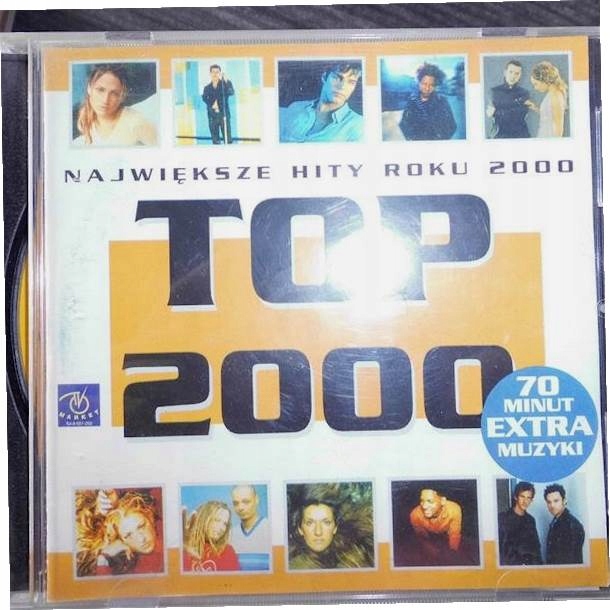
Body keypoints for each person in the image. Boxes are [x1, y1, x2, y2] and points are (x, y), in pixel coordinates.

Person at [75, 488, 163, 577]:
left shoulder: (163, 517)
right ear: (121, 541)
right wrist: (104, 558)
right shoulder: (126, 567)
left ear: (150, 517)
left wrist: (116, 491)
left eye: (142, 526)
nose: (141, 539)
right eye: (128, 535)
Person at [279, 62, 363, 143]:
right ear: (324, 77)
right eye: (337, 78)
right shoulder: (296, 107)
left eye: (351, 82)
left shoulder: (359, 125)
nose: (342, 87)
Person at [75, 64, 157, 146]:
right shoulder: (87, 124)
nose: (105, 100)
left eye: (114, 93)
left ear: (122, 95)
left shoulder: (136, 123)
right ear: (89, 88)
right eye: (100, 90)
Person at [289, 492, 374, 570]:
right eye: (310, 523)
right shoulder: (295, 567)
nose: (318, 532)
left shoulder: (355, 556)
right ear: (300, 529)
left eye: (326, 522)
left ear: (335, 527)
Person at [399, 63, 456, 141]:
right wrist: (411, 138)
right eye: (424, 84)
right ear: (419, 83)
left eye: (431, 85)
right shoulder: (412, 101)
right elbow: (403, 124)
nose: (427, 88)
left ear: (435, 86)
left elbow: (452, 126)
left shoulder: (442, 101)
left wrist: (439, 139)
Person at [183, 500, 240, 572]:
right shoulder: (185, 546)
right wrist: (185, 553)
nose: (221, 528)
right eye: (216, 520)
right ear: (203, 518)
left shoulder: (227, 551)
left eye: (225, 524)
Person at [408, 488, 462, 563]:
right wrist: (434, 554)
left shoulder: (454, 509)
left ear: (442, 501)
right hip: (430, 538)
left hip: (446, 536)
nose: (424, 506)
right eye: (422, 500)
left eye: (430, 501)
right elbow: (423, 538)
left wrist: (452, 554)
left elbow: (454, 534)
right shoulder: (415, 515)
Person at [487, 60, 536, 138]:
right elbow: (490, 114)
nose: (513, 76)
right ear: (505, 72)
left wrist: (496, 112)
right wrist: (518, 103)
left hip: (521, 135)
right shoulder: (494, 91)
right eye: (511, 72)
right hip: (500, 135)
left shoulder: (524, 93)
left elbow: (519, 115)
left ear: (520, 76)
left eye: (517, 73)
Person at [498, 481, 542, 565]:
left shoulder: (531, 520)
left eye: (528, 498)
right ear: (515, 497)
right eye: (522, 496)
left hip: (529, 567)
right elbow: (500, 549)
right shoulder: (503, 518)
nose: (525, 501)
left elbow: (536, 548)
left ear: (531, 500)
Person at [230, 485, 271, 570]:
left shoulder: (270, 529)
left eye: (246, 502)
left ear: (257, 500)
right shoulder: (230, 534)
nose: (240, 508)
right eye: (236, 503)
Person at [544, 484, 585, 564]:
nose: (552, 505)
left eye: (556, 501)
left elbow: (570, 560)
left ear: (564, 501)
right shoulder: (555, 521)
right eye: (549, 502)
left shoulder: (572, 525)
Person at [530, 61, 568, 137]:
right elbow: (549, 116)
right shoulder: (551, 94)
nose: (535, 88)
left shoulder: (556, 95)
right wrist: (536, 108)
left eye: (536, 84)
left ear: (544, 80)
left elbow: (559, 127)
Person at [202, 64, 234, 144]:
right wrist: (212, 104)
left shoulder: (224, 85)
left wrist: (227, 80)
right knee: (215, 141)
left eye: (217, 72)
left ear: (220, 73)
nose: (215, 74)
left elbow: (231, 92)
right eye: (213, 72)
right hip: (212, 117)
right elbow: (204, 98)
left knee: (228, 140)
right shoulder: (207, 88)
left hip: (224, 116)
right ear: (210, 73)